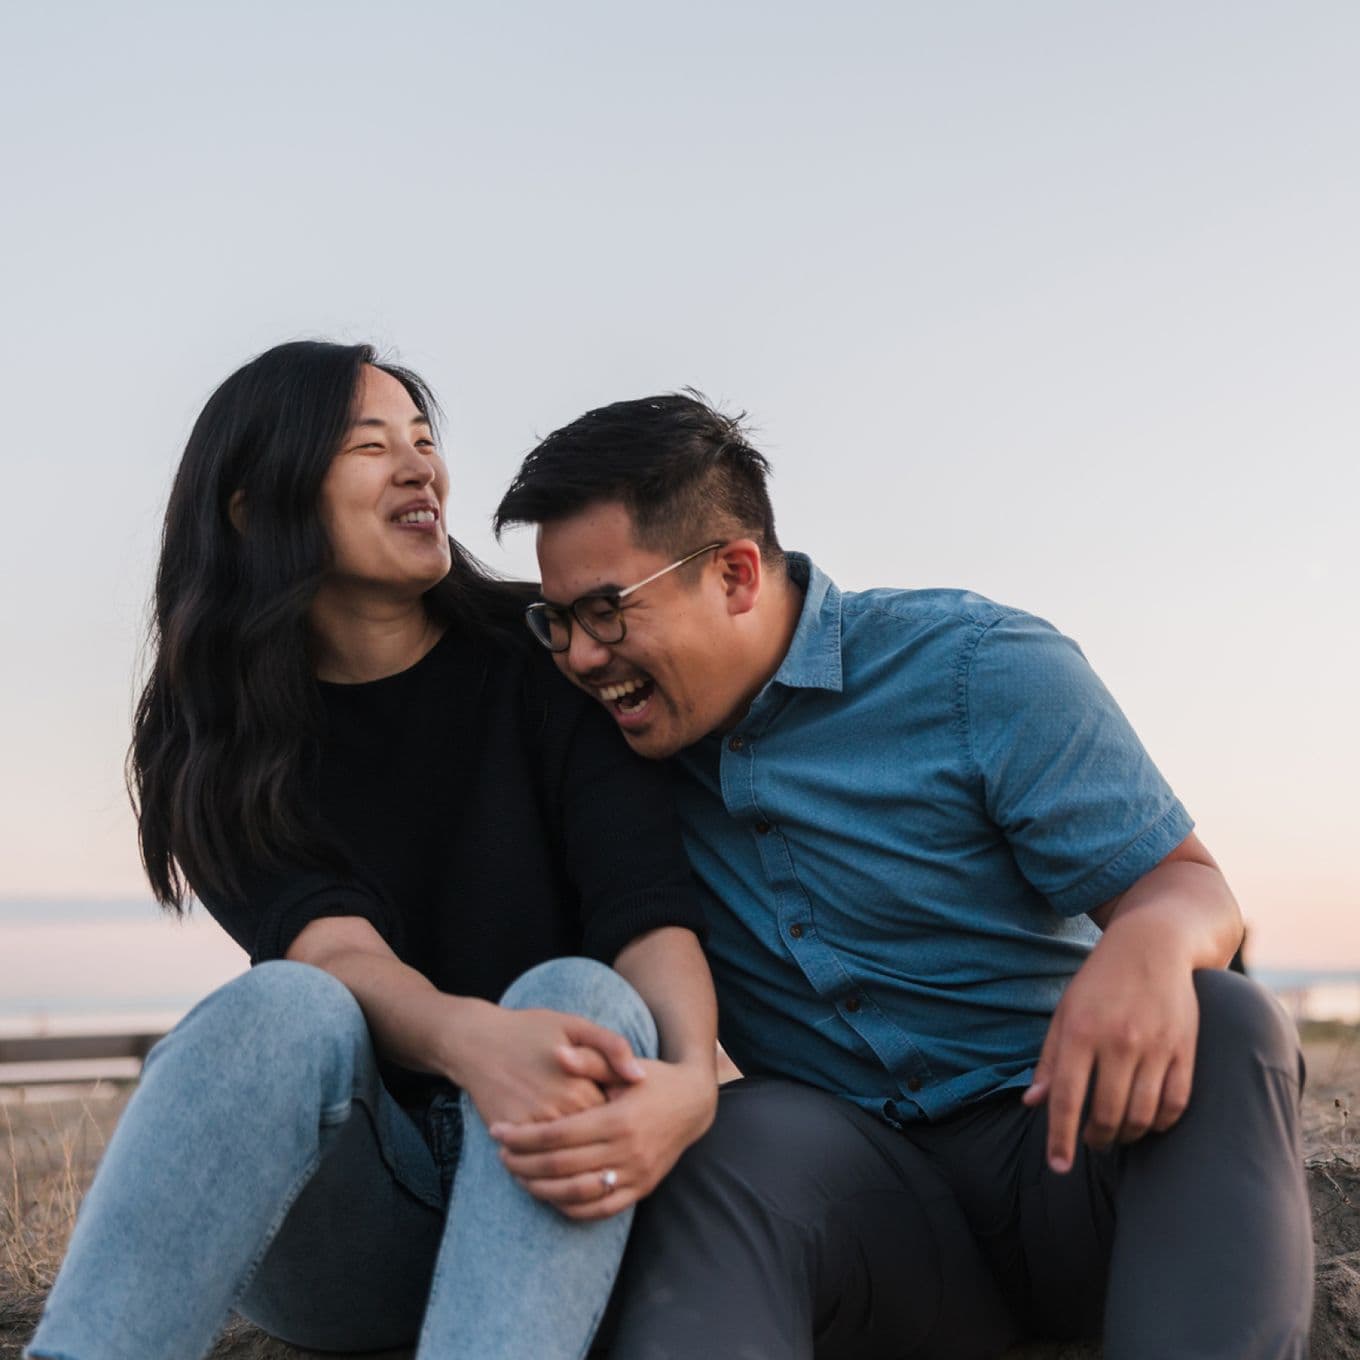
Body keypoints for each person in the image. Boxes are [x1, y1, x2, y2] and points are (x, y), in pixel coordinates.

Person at [491, 392, 1313, 1360]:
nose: (583, 657)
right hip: (865, 1222)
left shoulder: (976, 667)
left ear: (735, 572)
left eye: (607, 611)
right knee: (731, 1135)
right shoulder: (604, 759)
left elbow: (1187, 888)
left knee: (1225, 1019)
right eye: (558, 621)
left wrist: (1147, 938)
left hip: (1078, 1161)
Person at [26, 346, 719, 1360]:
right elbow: (334, 954)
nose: (419, 468)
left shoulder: (548, 656)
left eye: (425, 441)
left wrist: (693, 1077)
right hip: (351, 1223)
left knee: (576, 990)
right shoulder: (212, 732)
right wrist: (474, 1043)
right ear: (255, 505)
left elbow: (644, 907)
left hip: (562, 1189)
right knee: (283, 1004)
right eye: (370, 445)